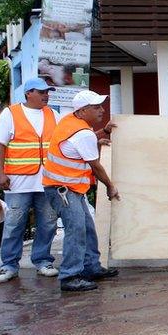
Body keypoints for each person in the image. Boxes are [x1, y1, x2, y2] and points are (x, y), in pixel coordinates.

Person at [43, 90, 120, 292]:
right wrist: (110, 186)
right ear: (83, 110)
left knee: (86, 227)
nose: (102, 110)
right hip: (63, 190)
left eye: (101, 106)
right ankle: (70, 276)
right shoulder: (82, 132)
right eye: (96, 107)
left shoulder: (71, 121)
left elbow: (74, 144)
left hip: (66, 188)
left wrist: (101, 133)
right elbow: (96, 166)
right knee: (76, 230)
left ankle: (91, 267)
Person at [0, 77, 61, 285]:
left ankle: (42, 261)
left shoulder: (54, 114)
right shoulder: (10, 113)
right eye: (42, 93)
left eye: (47, 92)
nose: (46, 96)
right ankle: (9, 265)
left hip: (47, 181)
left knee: (48, 223)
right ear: (29, 93)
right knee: (14, 225)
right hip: (17, 181)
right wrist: (0, 173)